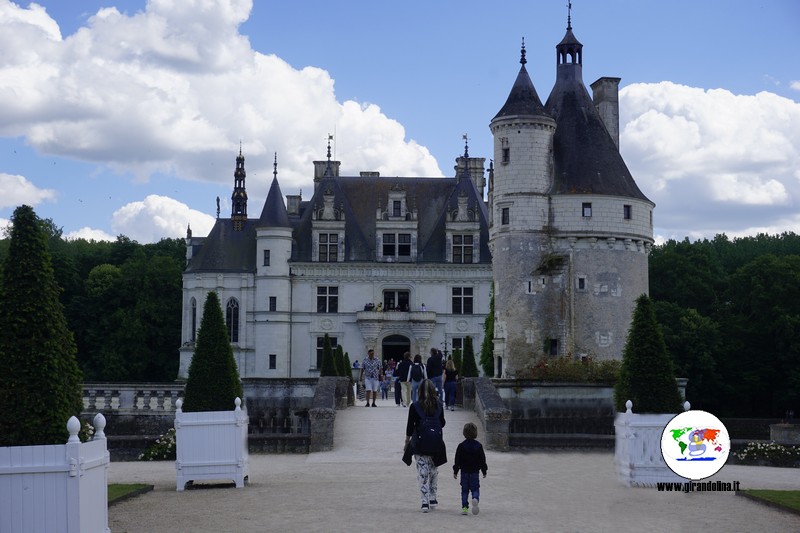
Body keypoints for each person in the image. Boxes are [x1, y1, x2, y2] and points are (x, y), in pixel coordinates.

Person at [405, 379, 446, 513]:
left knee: (423, 472)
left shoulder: (415, 406)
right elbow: (443, 423)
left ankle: (424, 501)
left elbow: (410, 427)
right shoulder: (439, 405)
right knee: (433, 470)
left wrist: (406, 443)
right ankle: (433, 497)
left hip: (420, 444)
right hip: (436, 443)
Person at [453, 422, 488, 516]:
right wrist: (484, 471)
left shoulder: (461, 446)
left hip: (464, 472)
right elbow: (482, 460)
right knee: (475, 488)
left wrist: (455, 471)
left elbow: (457, 460)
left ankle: (464, 508)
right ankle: (475, 498)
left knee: (464, 490)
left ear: (464, 433)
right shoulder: (479, 446)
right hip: (475, 473)